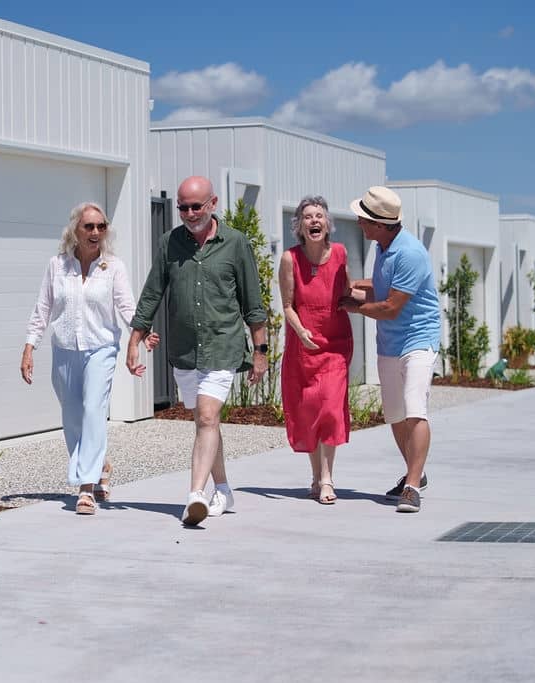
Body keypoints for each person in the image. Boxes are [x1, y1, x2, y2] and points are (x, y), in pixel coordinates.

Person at [127, 176, 268, 526]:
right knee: (207, 422)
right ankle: (223, 488)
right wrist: (134, 341)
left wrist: (261, 350)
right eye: (183, 207)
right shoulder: (169, 243)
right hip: (186, 351)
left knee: (206, 417)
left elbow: (253, 302)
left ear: (213, 203)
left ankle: (195, 495)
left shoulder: (236, 244)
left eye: (196, 206)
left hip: (223, 346)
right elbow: (151, 293)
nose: (189, 214)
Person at [21, 202, 156, 515]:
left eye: (101, 226)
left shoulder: (114, 267)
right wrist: (30, 347)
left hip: (101, 348)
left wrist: (142, 333)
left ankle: (86, 488)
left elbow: (126, 307)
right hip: (65, 349)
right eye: (89, 226)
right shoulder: (57, 265)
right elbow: (43, 308)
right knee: (72, 417)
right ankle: (100, 465)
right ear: (75, 230)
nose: (96, 232)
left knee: (93, 409)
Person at [340, 186, 441, 513]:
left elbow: (391, 306)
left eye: (363, 219)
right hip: (390, 343)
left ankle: (412, 487)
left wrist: (352, 307)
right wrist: (355, 284)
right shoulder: (384, 247)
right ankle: (417, 471)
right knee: (395, 414)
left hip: (418, 341)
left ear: (380, 224)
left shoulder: (410, 252)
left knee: (414, 409)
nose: (358, 223)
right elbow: (382, 284)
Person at [279, 196, 353, 505]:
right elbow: (287, 306)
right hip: (303, 345)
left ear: (327, 223)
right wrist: (301, 331)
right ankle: (315, 475)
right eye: (308, 216)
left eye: (319, 216)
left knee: (330, 407)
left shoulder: (339, 253)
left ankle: (327, 478)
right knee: (309, 410)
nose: (314, 220)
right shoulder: (289, 259)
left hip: (335, 344)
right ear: (299, 225)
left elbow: (346, 293)